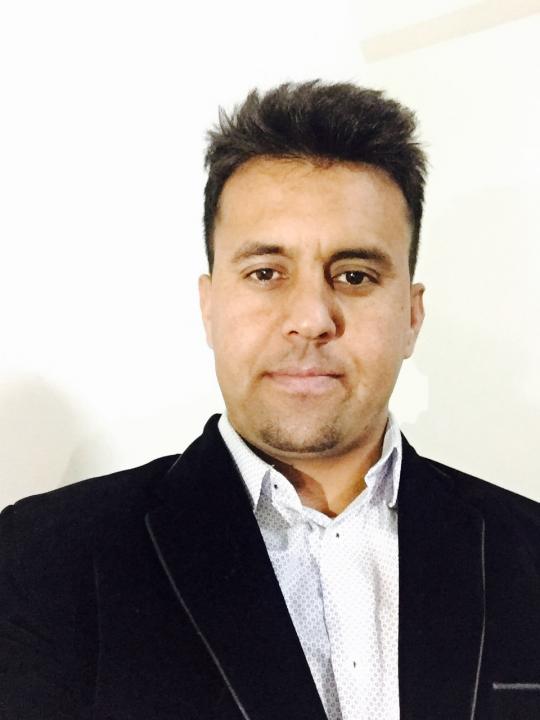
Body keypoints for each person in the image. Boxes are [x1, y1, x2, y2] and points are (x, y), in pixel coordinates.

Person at [1, 81, 539, 720]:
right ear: (209, 307)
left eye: (355, 275)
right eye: (265, 273)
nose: (311, 318)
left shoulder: (528, 552)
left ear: (412, 316)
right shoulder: (43, 559)